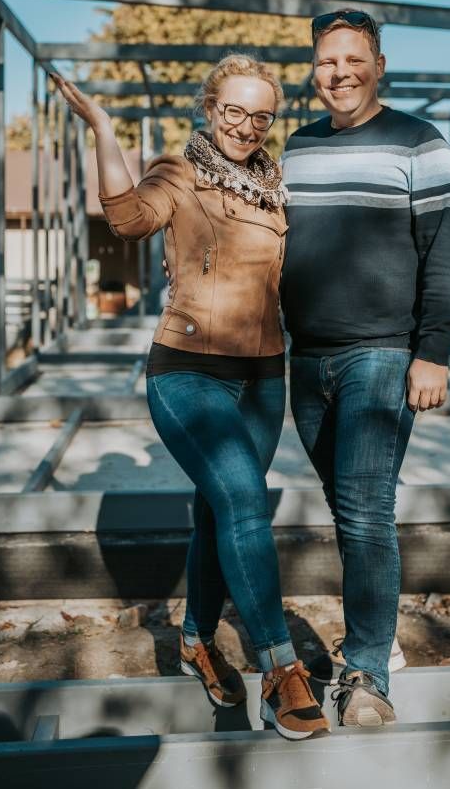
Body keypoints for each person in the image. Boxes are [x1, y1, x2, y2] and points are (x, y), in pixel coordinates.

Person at [51, 56, 330, 742]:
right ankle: (280, 668)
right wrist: (104, 129)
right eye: (233, 110)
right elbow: (127, 219)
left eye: (260, 115)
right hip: (187, 372)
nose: (245, 126)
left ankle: (196, 640)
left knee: (218, 511)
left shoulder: (275, 190)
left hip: (262, 378)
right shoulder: (177, 174)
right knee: (244, 499)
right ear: (209, 109)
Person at [280, 10, 450, 727]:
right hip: (308, 357)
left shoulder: (419, 142)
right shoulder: (297, 147)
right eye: (326, 61)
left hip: (383, 352)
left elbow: (446, 249)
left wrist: (433, 350)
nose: (339, 73)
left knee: (365, 511)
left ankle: (365, 673)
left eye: (353, 59)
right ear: (314, 70)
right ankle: (379, 634)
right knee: (349, 508)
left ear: (379, 65)